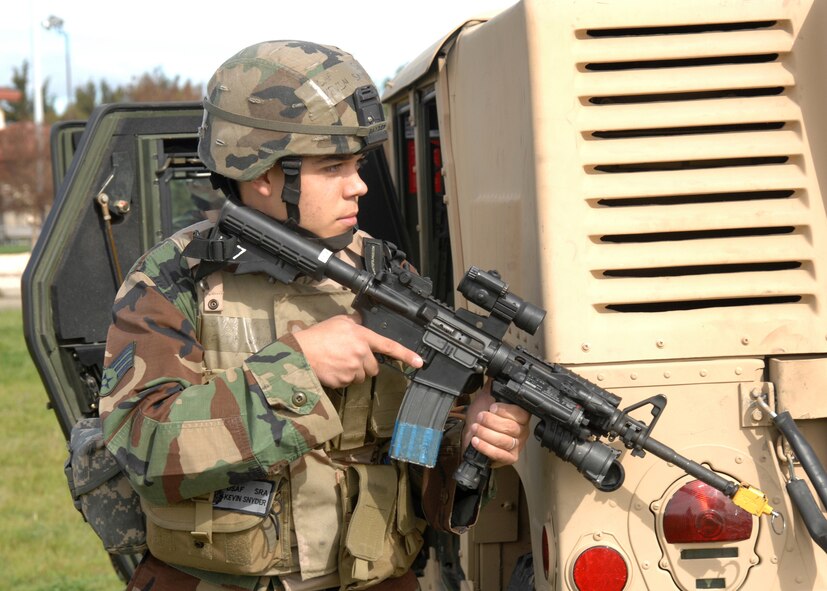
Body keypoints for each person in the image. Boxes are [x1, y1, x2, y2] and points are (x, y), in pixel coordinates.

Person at [98, 40, 530, 591]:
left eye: (356, 164)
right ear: (262, 174)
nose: (359, 185)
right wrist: (296, 370)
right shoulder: (175, 275)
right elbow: (141, 445)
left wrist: (468, 441)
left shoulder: (382, 271)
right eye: (334, 167)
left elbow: (414, 448)